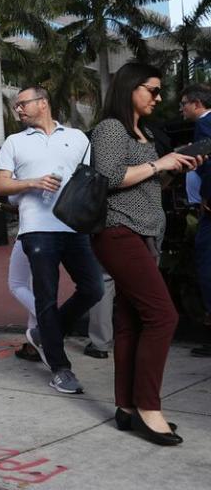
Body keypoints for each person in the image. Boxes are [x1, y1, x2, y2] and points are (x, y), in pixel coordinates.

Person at [91, 65, 203, 445]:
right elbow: (108, 177)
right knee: (162, 315)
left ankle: (125, 407)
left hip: (142, 232)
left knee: (131, 320)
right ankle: (147, 407)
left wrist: (176, 166)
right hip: (116, 229)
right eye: (152, 90)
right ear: (129, 88)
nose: (158, 97)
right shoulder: (110, 128)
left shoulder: (146, 132)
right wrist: (159, 163)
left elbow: (148, 182)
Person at [0, 86, 104, 395]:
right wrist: (32, 182)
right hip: (37, 228)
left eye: (23, 104)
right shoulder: (14, 142)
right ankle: (60, 368)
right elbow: (0, 185)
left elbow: (89, 178)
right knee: (45, 296)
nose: (18, 109)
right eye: (17, 106)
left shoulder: (78, 138)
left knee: (93, 287)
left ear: (43, 103)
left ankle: (44, 331)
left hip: (73, 226)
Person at [180, 84, 211, 357]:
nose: (182, 109)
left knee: (207, 269)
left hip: (207, 212)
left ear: (197, 104)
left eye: (184, 104)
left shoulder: (205, 125)